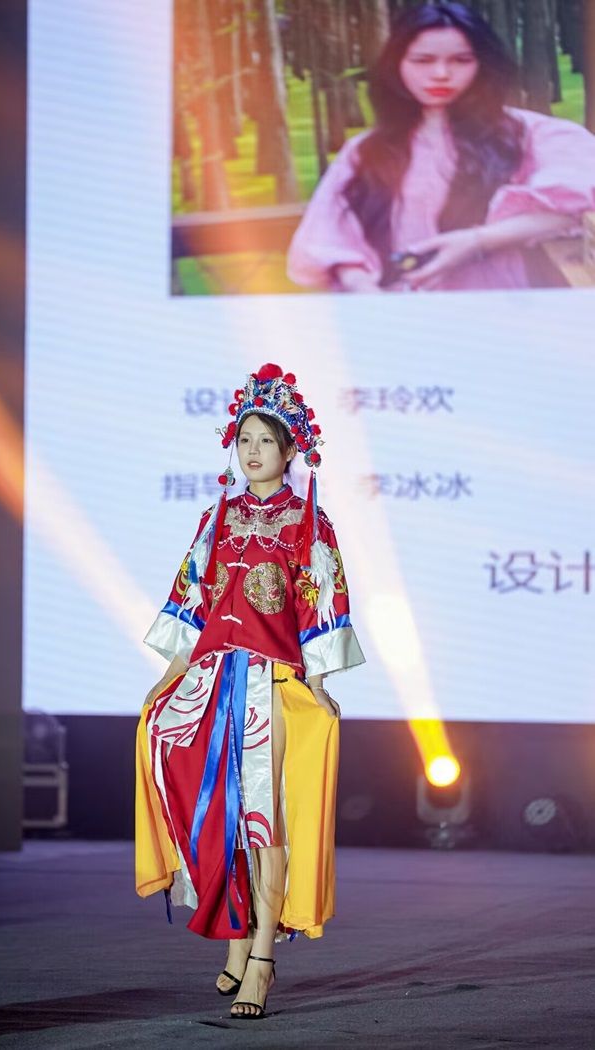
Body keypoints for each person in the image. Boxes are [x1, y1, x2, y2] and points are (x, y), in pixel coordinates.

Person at [135, 363, 365, 1020]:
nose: (253, 451)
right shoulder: (219, 516)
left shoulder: (307, 522)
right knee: (214, 806)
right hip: (213, 679)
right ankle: (236, 937)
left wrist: (317, 682)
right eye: (245, 440)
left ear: (291, 450)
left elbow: (322, 601)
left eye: (266, 441)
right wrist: (168, 677)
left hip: (271, 681)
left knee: (263, 820)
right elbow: (192, 597)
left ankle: (261, 958)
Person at [287, 2, 595, 293]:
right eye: (422, 61)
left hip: (501, 307)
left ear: (483, 65)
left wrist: (477, 241)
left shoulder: (533, 135)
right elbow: (329, 237)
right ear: (396, 65)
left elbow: (580, 202)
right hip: (394, 312)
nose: (441, 74)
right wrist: (361, 287)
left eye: (461, 60)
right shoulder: (365, 150)